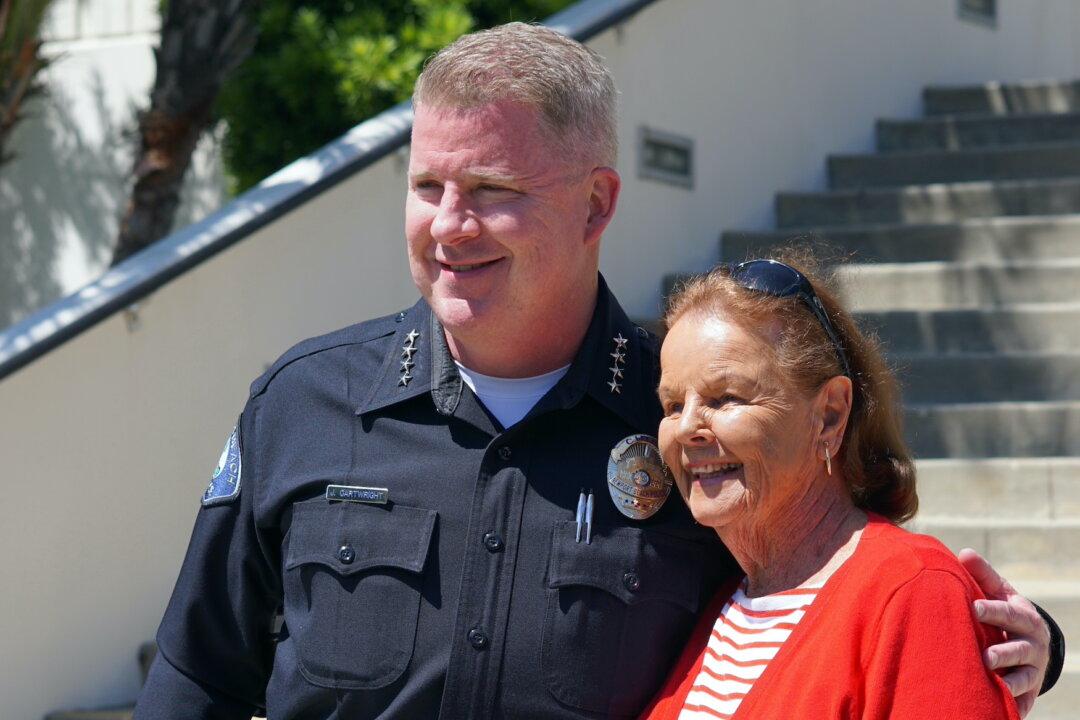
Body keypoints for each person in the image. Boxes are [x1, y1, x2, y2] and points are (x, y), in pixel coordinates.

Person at [134, 22, 1061, 720]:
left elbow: (839, 576)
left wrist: (1022, 642)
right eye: (427, 187)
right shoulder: (304, 404)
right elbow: (195, 676)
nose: (448, 225)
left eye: (492, 190)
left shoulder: (691, 430)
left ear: (595, 205)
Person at [639, 254, 1027, 720]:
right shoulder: (721, 606)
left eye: (725, 398)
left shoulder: (914, 592)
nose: (686, 428)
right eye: (672, 405)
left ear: (829, 415)